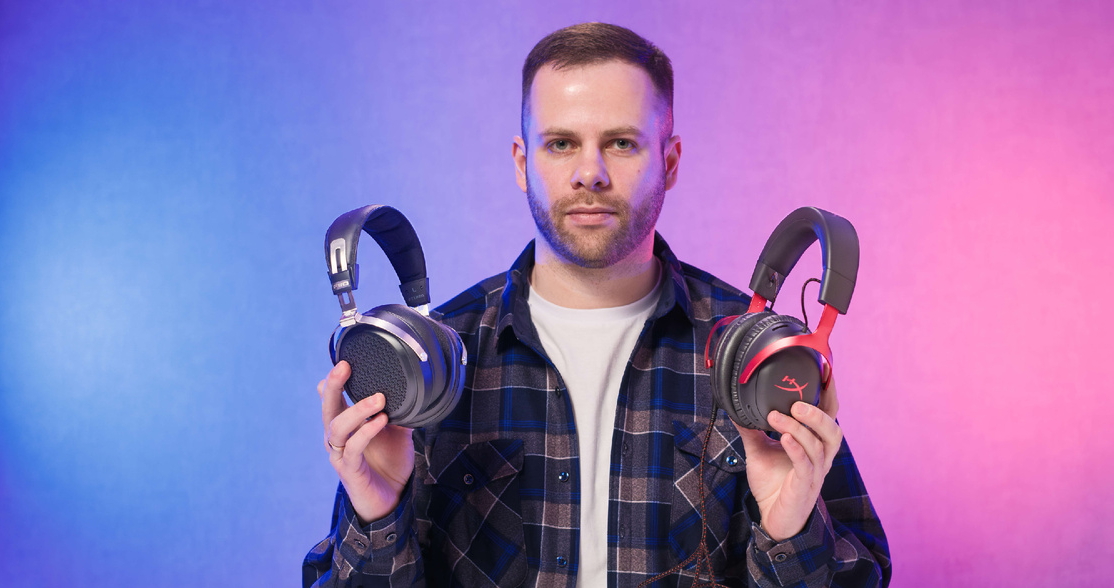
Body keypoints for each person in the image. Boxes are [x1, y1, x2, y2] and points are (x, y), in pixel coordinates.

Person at [304, 22, 890, 588]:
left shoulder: (756, 359)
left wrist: (789, 531)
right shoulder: (433, 364)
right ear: (522, 163)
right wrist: (379, 517)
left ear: (670, 162)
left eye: (622, 143)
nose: (590, 173)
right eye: (561, 144)